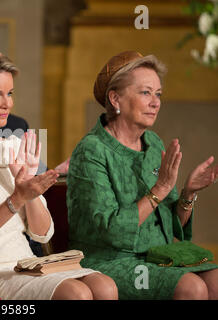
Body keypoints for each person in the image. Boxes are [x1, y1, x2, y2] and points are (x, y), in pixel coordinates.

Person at [0, 44, 118, 300]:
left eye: (10, 93)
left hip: (24, 263)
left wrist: (31, 193)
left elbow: (42, 233)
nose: (7, 104)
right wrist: (15, 199)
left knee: (106, 287)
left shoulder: (13, 147)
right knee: (76, 294)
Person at [66, 51, 218, 300]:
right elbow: (111, 232)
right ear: (115, 99)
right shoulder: (92, 150)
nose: (156, 102)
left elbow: (172, 228)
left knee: (215, 282)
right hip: (109, 261)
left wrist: (188, 193)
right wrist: (159, 189)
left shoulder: (153, 143)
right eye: (146, 93)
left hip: (160, 257)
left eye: (158, 94)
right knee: (193, 288)